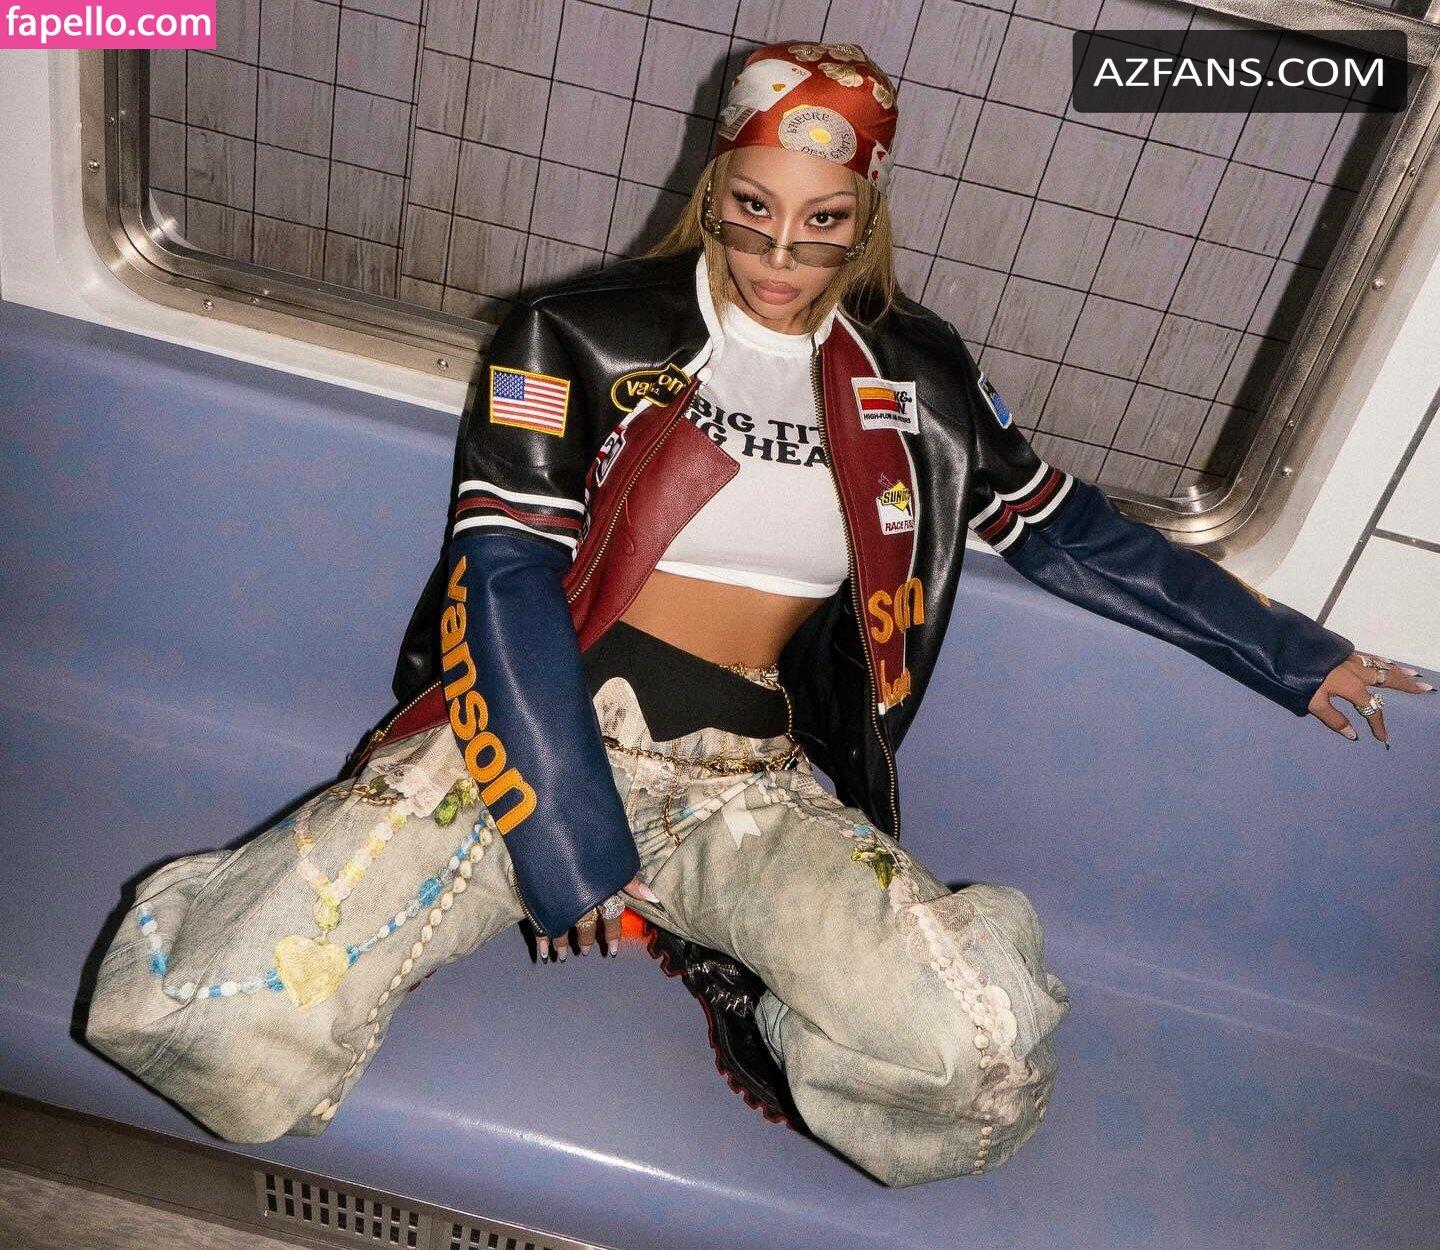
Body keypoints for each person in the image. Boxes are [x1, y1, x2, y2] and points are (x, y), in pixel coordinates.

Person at [366, 40, 1430, 1186]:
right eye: (753, 207)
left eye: (824, 219)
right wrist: (560, 824)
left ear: (866, 216)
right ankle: (627, 902)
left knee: (985, 1067)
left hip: (739, 770)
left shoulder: (915, 368)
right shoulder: (579, 329)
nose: (781, 253)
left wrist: (1292, 652)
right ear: (710, 191)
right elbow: (506, 574)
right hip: (530, 728)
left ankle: (754, 985)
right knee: (232, 1023)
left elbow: (1061, 525)